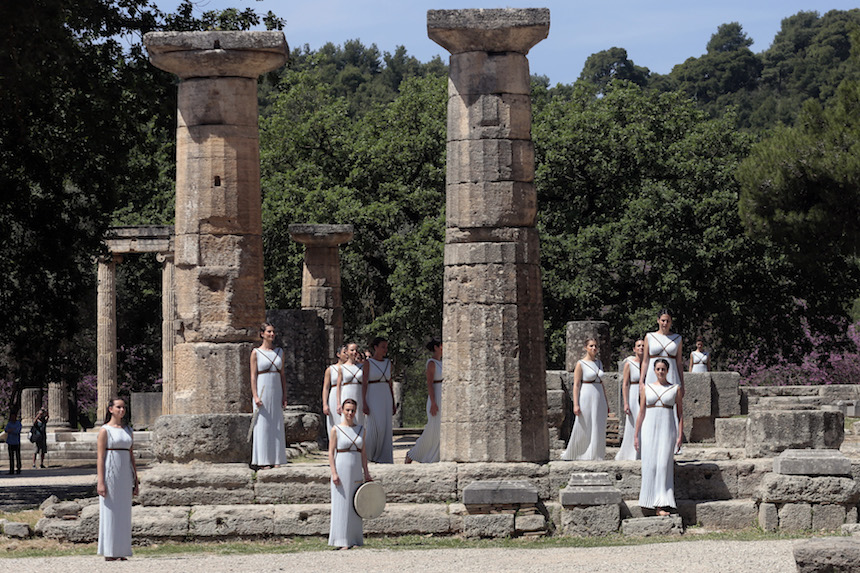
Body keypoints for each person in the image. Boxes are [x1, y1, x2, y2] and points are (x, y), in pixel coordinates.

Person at [635, 358, 683, 515]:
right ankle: (648, 501)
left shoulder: (675, 389)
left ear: (668, 371)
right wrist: (636, 435)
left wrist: (680, 434)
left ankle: (661, 504)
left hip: (667, 430)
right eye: (658, 369)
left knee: (663, 465)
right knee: (650, 465)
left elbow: (680, 414)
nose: (661, 372)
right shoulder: (646, 388)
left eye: (663, 369)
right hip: (649, 429)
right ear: (654, 371)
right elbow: (641, 412)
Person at [97, 397, 138, 561]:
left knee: (124, 511)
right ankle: (109, 551)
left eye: (123, 408)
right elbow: (100, 457)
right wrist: (101, 481)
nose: (122, 410)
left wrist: (136, 478)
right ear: (111, 409)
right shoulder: (104, 430)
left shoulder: (128, 430)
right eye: (118, 407)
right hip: (110, 471)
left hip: (125, 473)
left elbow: (131, 455)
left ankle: (122, 550)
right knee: (110, 510)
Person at [328, 398, 372, 549]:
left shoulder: (361, 430)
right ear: (342, 411)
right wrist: (333, 472)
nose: (350, 413)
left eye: (352, 410)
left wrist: (366, 472)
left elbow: (363, 453)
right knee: (342, 503)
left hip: (356, 470)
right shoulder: (336, 429)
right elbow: (331, 453)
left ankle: (354, 539)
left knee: (355, 504)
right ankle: (341, 540)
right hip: (341, 468)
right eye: (347, 410)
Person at [561, 339, 610, 461]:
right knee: (584, 423)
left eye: (595, 346)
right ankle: (578, 452)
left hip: (599, 396)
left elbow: (602, 383)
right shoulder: (580, 364)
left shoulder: (599, 363)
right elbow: (576, 385)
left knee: (598, 423)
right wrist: (576, 404)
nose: (594, 348)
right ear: (586, 348)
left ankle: (596, 453)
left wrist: (606, 401)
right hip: (586, 394)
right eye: (591, 346)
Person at [250, 323, 288, 469]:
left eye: (273, 332)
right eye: (269, 332)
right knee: (263, 425)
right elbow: (253, 376)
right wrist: (255, 395)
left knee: (276, 424)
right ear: (262, 334)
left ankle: (277, 458)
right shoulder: (256, 353)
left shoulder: (279, 352)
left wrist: (284, 395)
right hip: (262, 389)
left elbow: (282, 375)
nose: (272, 334)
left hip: (276, 389)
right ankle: (264, 460)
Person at [405, 339, 443, 464]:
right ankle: (412, 454)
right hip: (436, 397)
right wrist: (433, 402)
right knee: (432, 428)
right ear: (437, 347)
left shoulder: (443, 362)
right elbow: (430, 384)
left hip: (443, 398)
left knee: (439, 430)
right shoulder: (431, 363)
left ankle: (435, 456)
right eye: (442, 345)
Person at [362, 337, 395, 464]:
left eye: (386, 347)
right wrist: (364, 402)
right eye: (383, 347)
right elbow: (364, 384)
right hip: (373, 394)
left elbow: (390, 383)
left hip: (385, 395)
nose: (385, 350)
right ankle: (369, 455)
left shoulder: (388, 363)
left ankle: (384, 457)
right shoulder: (368, 363)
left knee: (386, 426)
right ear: (375, 347)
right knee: (375, 426)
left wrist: (393, 401)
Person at [641, 309, 685, 397]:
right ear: (658, 320)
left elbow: (679, 363)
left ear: (671, 322)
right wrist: (641, 381)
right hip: (652, 374)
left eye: (668, 321)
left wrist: (682, 383)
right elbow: (645, 361)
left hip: (672, 374)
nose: (665, 323)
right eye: (663, 320)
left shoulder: (677, 338)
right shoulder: (649, 337)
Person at [615, 339, 645, 461]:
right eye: (638, 346)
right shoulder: (629, 364)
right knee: (633, 423)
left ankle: (643, 452)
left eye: (643, 345)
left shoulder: (649, 363)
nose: (641, 347)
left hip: (645, 395)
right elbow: (625, 384)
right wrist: (626, 402)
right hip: (633, 393)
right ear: (634, 349)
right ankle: (630, 452)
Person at [336, 343, 364, 426]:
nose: (354, 352)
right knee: (346, 418)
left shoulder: (362, 367)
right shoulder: (342, 367)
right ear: (347, 352)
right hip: (347, 393)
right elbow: (338, 386)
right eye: (352, 350)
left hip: (359, 393)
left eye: (356, 350)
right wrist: (338, 403)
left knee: (359, 419)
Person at [324, 346, 349, 434]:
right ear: (338, 354)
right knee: (335, 420)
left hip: (346, 393)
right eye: (344, 352)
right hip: (334, 395)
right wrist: (325, 404)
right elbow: (326, 387)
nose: (347, 355)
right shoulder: (330, 369)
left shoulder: (349, 368)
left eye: (347, 352)